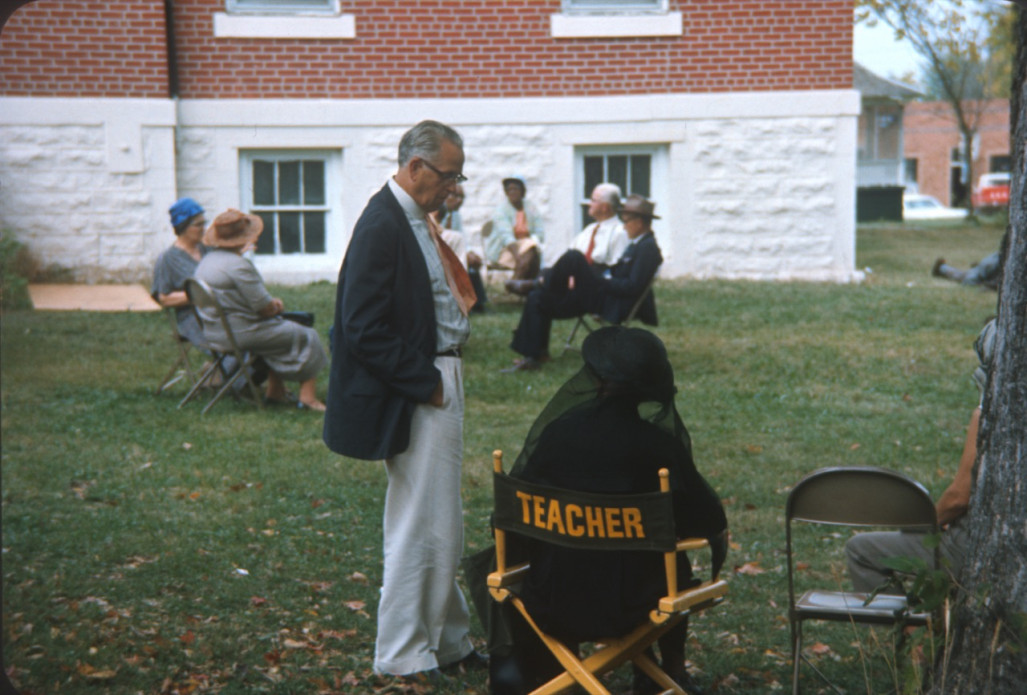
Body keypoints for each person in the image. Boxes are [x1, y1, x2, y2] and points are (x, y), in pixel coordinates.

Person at [322, 120, 483, 681]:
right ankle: (402, 654)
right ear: (415, 168)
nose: (453, 187)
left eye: (458, 176)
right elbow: (360, 327)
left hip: (438, 373)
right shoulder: (383, 223)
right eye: (447, 176)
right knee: (420, 521)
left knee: (442, 520)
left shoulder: (413, 217)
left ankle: (451, 640)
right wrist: (427, 380)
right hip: (422, 385)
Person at [492, 326, 728, 695]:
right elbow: (707, 520)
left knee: (571, 547)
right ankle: (670, 671)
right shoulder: (658, 446)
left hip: (552, 597)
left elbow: (511, 520)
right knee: (667, 559)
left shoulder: (556, 434)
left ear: (596, 379)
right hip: (639, 605)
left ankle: (565, 670)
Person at [845, 318, 996, 593]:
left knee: (861, 549)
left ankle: (909, 631)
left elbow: (960, 497)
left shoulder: (989, 414)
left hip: (980, 543)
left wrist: (927, 524)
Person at [505, 194, 662, 371]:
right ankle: (534, 355)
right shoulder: (637, 244)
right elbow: (618, 271)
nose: (624, 226)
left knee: (574, 258)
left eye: (626, 221)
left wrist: (601, 280)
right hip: (604, 294)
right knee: (537, 297)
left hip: (610, 301)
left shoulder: (647, 248)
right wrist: (601, 275)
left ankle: (539, 281)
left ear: (639, 222)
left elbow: (632, 287)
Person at [193, 209, 328, 411]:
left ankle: (276, 392)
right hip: (242, 334)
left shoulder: (207, 261)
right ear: (244, 238)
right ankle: (308, 398)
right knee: (307, 334)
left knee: (278, 334)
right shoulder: (239, 266)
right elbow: (264, 309)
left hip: (214, 332)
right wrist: (276, 304)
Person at [505, 182, 627, 298]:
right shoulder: (590, 229)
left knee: (571, 258)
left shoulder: (619, 232)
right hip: (575, 276)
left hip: (595, 282)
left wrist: (577, 275)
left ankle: (535, 284)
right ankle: (537, 285)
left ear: (605, 207)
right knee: (543, 280)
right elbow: (570, 255)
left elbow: (617, 270)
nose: (589, 204)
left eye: (593, 200)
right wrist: (571, 275)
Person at [151, 197, 207, 346]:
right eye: (198, 225)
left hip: (219, 314)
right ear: (183, 227)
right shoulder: (168, 259)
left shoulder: (207, 249)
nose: (203, 229)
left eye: (204, 223)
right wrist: (202, 295)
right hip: (194, 320)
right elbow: (164, 298)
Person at [435, 184, 488, 313]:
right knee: (462, 263)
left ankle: (478, 303)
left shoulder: (456, 216)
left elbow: (463, 238)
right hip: (440, 251)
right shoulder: (435, 212)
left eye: (462, 197)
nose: (459, 200)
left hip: (454, 250)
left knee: (473, 263)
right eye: (455, 195)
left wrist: (470, 253)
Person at [487, 175, 545, 282]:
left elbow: (540, 232)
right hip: (505, 251)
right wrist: (519, 258)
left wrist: (531, 243)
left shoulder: (530, 207)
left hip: (527, 249)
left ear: (523, 191)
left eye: (516, 189)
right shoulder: (501, 211)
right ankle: (517, 283)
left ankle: (515, 284)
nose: (512, 192)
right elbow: (506, 237)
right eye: (509, 189)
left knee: (531, 248)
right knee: (531, 254)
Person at [932, 252, 1001, 290]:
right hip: (989, 268)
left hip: (990, 265)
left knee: (967, 276)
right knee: (966, 276)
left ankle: (943, 268)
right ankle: (942, 269)